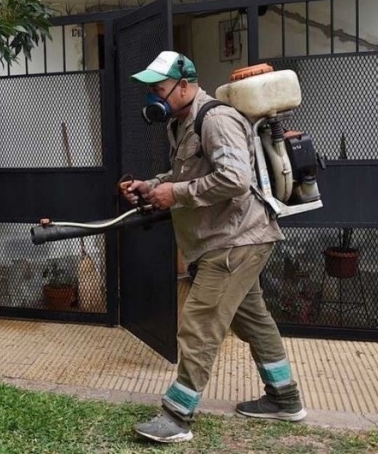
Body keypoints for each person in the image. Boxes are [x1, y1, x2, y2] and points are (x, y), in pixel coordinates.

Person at [121, 50, 306, 444]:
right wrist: (152, 186)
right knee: (252, 320)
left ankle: (177, 416)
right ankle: (285, 398)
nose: (153, 97)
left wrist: (177, 193)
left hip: (235, 240)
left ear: (184, 85)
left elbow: (235, 180)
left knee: (199, 324)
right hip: (226, 239)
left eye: (159, 89)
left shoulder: (216, 118)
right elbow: (185, 174)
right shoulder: (180, 122)